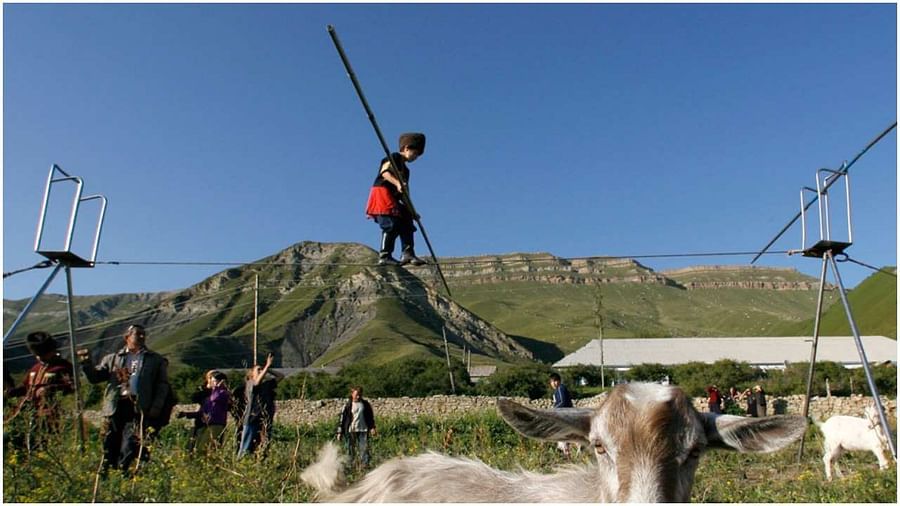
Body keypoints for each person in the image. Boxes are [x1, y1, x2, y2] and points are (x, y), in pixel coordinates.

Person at [77, 324, 173, 472]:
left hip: (138, 406)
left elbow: (162, 386)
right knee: (110, 441)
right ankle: (107, 473)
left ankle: (123, 472)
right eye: (137, 334)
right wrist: (86, 363)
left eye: (143, 334)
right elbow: (95, 378)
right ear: (126, 337)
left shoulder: (154, 360)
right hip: (115, 406)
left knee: (130, 442)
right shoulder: (113, 359)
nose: (141, 337)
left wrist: (156, 407)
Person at [364, 132, 428, 266]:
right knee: (391, 225)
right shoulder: (394, 157)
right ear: (406, 148)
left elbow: (404, 194)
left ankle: (408, 253)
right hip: (382, 193)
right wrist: (397, 183)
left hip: (393, 197)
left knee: (407, 219)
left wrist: (412, 211)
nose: (415, 157)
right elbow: (385, 172)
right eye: (414, 153)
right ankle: (385, 255)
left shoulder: (407, 171)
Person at [5, 331, 75, 440]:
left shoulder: (63, 367)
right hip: (31, 415)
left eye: (42, 355)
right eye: (37, 355)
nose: (39, 357)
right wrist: (12, 392)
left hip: (52, 417)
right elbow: (26, 387)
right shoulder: (35, 369)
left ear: (52, 351)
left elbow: (71, 388)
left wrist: (50, 389)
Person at [237, 353, 283, 458]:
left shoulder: (266, 385)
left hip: (265, 420)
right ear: (251, 374)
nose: (261, 372)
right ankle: (240, 463)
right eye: (258, 370)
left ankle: (259, 463)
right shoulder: (250, 384)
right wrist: (267, 366)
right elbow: (256, 383)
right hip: (252, 419)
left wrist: (268, 369)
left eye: (261, 370)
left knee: (263, 445)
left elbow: (281, 376)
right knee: (246, 446)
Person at [178, 370, 231, 454]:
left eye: (213, 380)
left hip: (216, 424)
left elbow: (215, 398)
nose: (211, 382)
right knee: (198, 448)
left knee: (205, 448)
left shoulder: (223, 393)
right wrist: (187, 414)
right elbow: (203, 411)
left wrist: (218, 387)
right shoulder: (208, 396)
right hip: (207, 424)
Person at [337, 386, 376, 469]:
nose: (358, 396)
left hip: (363, 429)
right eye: (356, 394)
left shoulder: (365, 404)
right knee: (350, 450)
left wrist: (372, 427)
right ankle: (350, 466)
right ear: (352, 394)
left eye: (360, 395)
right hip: (351, 430)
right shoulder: (347, 406)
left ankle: (364, 466)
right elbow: (342, 420)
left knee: (364, 449)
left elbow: (370, 417)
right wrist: (339, 432)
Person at [549, 372, 574, 457]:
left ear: (559, 381)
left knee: (563, 435)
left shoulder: (560, 388)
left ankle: (565, 453)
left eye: (556, 381)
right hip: (564, 415)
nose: (554, 383)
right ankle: (564, 453)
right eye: (552, 381)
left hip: (566, 415)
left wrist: (553, 410)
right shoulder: (557, 391)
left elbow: (562, 402)